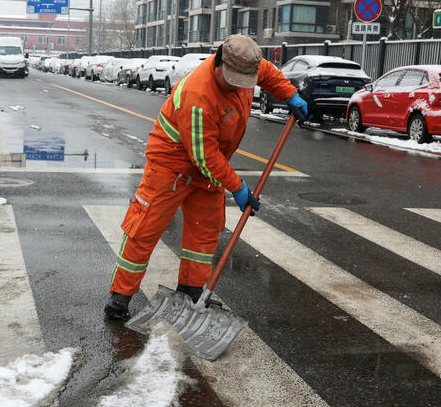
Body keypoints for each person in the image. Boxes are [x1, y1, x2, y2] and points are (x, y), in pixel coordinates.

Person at [104, 35, 309, 320]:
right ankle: (120, 296)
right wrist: (238, 188)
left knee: (206, 227)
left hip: (209, 165)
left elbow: (268, 73)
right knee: (145, 227)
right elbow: (204, 156)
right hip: (171, 164)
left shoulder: (247, 65)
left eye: (244, 81)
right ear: (218, 62)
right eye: (233, 80)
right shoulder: (198, 95)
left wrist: (290, 94)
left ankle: (190, 291)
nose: (239, 86)